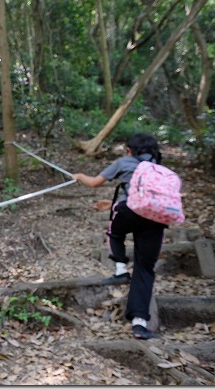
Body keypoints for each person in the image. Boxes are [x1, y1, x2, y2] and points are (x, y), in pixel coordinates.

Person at [73, 133, 166, 340]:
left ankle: (121, 269)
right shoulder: (160, 169)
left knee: (114, 233)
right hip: (155, 218)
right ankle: (140, 324)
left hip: (129, 211)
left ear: (130, 150)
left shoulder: (124, 162)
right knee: (145, 269)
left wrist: (79, 176)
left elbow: (94, 182)